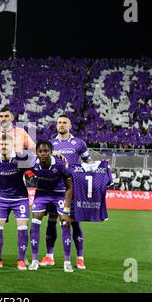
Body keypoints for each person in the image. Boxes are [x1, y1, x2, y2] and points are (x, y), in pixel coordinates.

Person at [44, 114, 93, 272]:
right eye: (59, 122)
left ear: (70, 126)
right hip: (53, 187)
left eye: (65, 122)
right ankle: (49, 256)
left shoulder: (79, 143)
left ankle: (79, 258)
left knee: (73, 221)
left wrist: (98, 171)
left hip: (73, 187)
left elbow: (89, 162)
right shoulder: (50, 144)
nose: (62, 124)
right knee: (51, 220)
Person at [0, 134, 34, 270]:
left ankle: (21, 259)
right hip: (2, 198)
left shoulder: (20, 159)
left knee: (22, 227)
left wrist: (54, 155)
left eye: (6, 144)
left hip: (20, 198)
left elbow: (37, 162)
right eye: (1, 145)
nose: (3, 147)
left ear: (12, 146)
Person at [28, 140, 73, 271]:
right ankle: (35, 260)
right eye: (40, 151)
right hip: (42, 193)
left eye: (46, 151)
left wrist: (66, 211)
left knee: (65, 223)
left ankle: (67, 262)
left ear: (51, 152)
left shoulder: (60, 164)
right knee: (35, 220)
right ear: (36, 153)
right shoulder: (32, 162)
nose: (43, 154)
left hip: (58, 193)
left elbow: (70, 187)